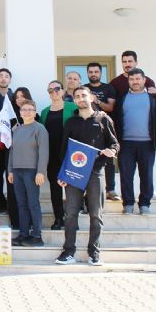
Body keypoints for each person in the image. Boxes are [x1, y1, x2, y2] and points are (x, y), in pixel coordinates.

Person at [55, 86, 119, 266]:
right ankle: (68, 252)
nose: (81, 98)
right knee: (70, 214)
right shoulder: (70, 122)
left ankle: (94, 253)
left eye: (84, 95)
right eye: (77, 96)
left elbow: (114, 144)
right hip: (74, 173)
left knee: (96, 214)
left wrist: (112, 151)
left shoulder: (103, 119)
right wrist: (63, 174)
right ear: (74, 100)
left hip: (96, 172)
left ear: (91, 97)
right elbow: (64, 150)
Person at [114, 68, 156, 215]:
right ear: (128, 81)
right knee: (126, 176)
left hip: (148, 143)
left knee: (146, 175)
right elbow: (116, 121)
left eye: (138, 79)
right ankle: (128, 204)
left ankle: (144, 204)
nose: (135, 82)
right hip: (125, 143)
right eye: (132, 79)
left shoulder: (154, 98)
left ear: (144, 80)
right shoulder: (122, 98)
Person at [9, 100, 49, 247]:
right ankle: (23, 234)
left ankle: (37, 236)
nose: (26, 112)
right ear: (20, 113)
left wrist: (41, 172)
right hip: (17, 171)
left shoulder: (40, 129)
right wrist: (10, 170)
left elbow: (44, 152)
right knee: (21, 204)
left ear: (34, 112)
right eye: (24, 109)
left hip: (31, 171)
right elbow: (12, 151)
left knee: (33, 203)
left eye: (30, 109)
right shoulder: (17, 130)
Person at [40, 80, 78, 230]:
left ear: (62, 91)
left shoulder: (72, 107)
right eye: (50, 90)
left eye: (56, 88)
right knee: (55, 187)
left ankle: (72, 220)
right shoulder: (44, 112)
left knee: (71, 188)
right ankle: (58, 218)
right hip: (51, 154)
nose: (53, 92)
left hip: (69, 152)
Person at [85, 63, 120, 201]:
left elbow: (110, 107)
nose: (93, 74)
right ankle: (87, 191)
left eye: (96, 71)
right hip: (88, 127)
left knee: (109, 159)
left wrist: (96, 100)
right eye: (91, 72)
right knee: (89, 159)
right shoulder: (84, 88)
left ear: (100, 73)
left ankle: (110, 189)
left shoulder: (108, 88)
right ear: (87, 73)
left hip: (105, 126)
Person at [0, 68, 18, 228]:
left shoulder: (15, 98)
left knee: (11, 176)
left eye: (6, 76)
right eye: (1, 76)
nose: (3, 79)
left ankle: (12, 207)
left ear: (10, 79)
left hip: (12, 143)